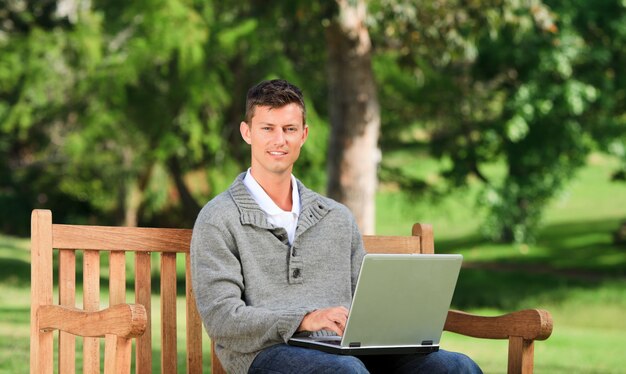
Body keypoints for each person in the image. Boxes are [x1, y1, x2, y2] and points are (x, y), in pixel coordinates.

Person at [190, 79, 482, 374]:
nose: (279, 140)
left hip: (347, 351)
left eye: (289, 129)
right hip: (266, 353)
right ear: (247, 132)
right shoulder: (219, 217)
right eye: (268, 128)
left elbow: (367, 301)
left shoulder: (336, 217)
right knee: (346, 372)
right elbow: (222, 318)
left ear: (303, 135)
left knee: (457, 366)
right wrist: (304, 320)